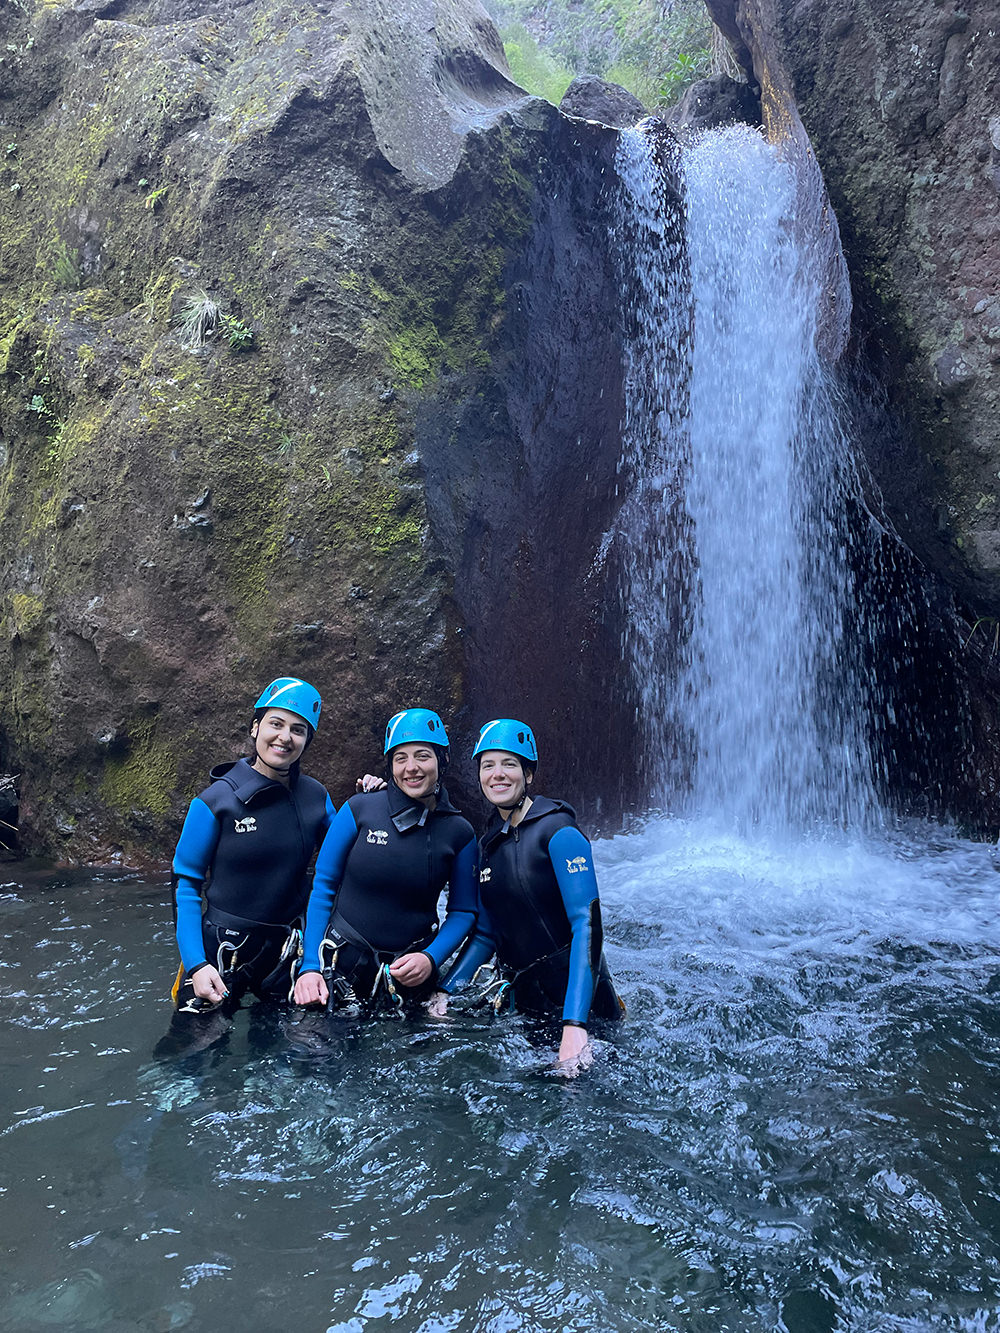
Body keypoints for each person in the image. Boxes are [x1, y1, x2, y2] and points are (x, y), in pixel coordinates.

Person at [439, 719, 623, 1073]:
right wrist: (447, 990)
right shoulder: (488, 842)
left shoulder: (558, 830)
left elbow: (588, 924)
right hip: (528, 1005)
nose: (498, 774)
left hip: (585, 1008)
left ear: (529, 774)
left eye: (509, 764)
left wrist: (575, 1025)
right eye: (488, 765)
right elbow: (487, 932)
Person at [168, 676, 334, 1019]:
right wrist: (196, 964)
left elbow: (347, 858)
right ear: (255, 728)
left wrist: (371, 800)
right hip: (221, 950)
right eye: (276, 723)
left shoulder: (316, 798)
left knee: (281, 1062)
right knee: (191, 1060)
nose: (285, 737)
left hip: (285, 954)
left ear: (307, 740)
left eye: (298, 729)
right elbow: (185, 886)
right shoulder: (216, 801)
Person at [293, 709, 478, 1014]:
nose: (412, 768)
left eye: (422, 756)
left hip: (410, 973)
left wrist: (431, 958)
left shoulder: (459, 832)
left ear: (442, 761)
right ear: (390, 765)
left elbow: (464, 911)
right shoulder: (359, 809)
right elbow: (324, 886)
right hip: (340, 966)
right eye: (400, 758)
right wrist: (310, 966)